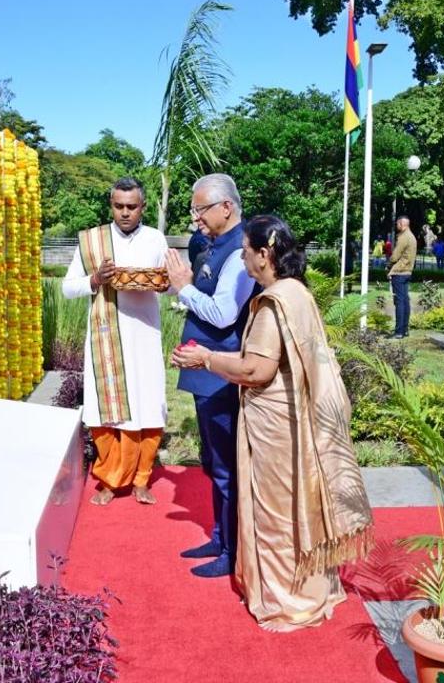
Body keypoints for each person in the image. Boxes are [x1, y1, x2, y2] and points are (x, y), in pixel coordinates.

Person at [171, 215, 373, 632]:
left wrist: (205, 359)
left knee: (277, 512)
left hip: (276, 428)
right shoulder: (296, 292)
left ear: (264, 255)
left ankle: (287, 597)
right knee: (298, 506)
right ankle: (309, 585)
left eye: (246, 250)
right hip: (293, 419)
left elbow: (255, 371)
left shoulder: (272, 303)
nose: (242, 257)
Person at [164, 173, 258, 577]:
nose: (195, 217)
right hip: (204, 369)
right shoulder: (211, 244)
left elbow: (223, 314)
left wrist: (184, 288)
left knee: (227, 465)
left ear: (226, 207)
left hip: (222, 370)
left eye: (200, 209)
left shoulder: (241, 251)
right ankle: (219, 536)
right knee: (214, 461)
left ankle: (234, 551)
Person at [62, 178, 169, 506]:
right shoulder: (92, 240)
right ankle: (110, 480)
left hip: (145, 337)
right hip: (105, 339)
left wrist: (164, 284)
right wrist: (95, 279)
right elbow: (68, 288)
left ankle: (141, 479)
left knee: (148, 407)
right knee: (104, 413)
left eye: (131, 207)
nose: (125, 212)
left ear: (143, 207)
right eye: (119, 206)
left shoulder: (155, 238)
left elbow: (171, 282)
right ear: (111, 205)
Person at [388, 215, 418, 339]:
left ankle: (399, 331)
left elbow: (395, 256)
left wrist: (389, 263)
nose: (396, 226)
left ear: (401, 224)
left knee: (399, 302)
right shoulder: (412, 236)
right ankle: (404, 330)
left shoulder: (403, 237)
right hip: (407, 271)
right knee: (405, 301)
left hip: (399, 272)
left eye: (397, 224)